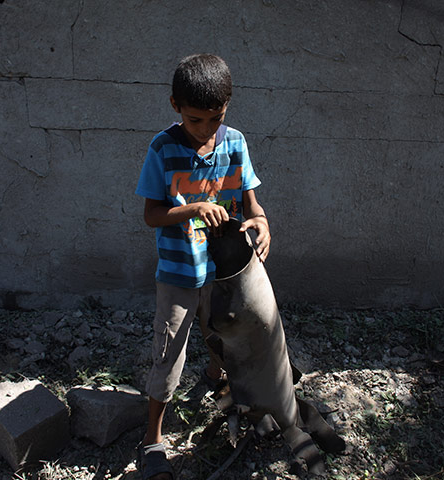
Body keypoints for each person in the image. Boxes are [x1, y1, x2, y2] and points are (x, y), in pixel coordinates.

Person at [134, 53, 270, 480]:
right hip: (178, 276)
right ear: (175, 105)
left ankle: (218, 380)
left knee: (226, 338)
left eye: (216, 118)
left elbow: (251, 204)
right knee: (169, 355)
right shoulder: (163, 148)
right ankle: (152, 439)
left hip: (223, 274)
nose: (206, 130)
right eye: (196, 120)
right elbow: (152, 214)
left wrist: (262, 224)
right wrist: (192, 208)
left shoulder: (235, 143)